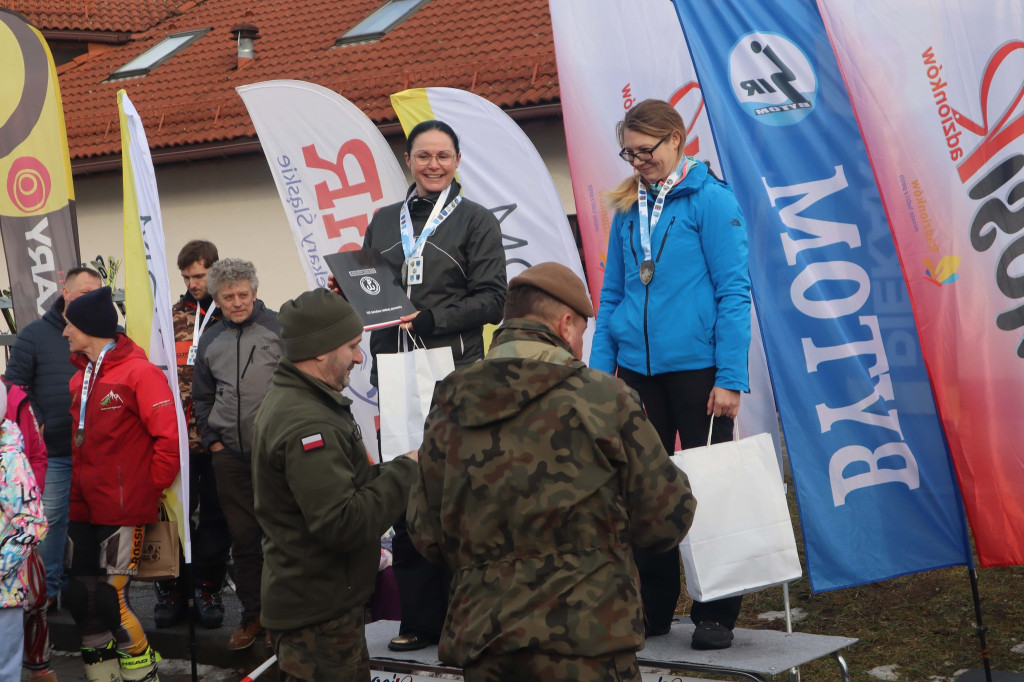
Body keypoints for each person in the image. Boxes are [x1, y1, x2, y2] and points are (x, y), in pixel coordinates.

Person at [407, 262, 697, 681]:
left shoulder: (448, 403)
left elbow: (425, 534)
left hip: (486, 643)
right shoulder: (604, 398)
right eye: (581, 332)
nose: (580, 346)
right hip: (588, 641)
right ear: (564, 325)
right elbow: (665, 519)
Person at [336, 119, 506, 652]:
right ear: (408, 159)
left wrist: (431, 319)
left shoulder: (476, 221)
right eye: (424, 156)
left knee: (459, 491)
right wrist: (346, 295)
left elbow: (493, 299)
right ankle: (418, 618)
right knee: (408, 492)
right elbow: (369, 295)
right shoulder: (383, 222)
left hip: (453, 370)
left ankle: (467, 617)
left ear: (457, 161)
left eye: (444, 156)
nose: (434, 165)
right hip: (394, 371)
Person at [591, 98, 751, 650]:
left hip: (700, 372)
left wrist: (730, 376)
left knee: (709, 487)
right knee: (644, 492)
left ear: (677, 139)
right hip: (636, 372)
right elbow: (612, 294)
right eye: (629, 153)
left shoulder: (711, 200)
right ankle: (655, 606)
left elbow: (734, 291)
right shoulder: (626, 208)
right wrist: (599, 375)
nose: (638, 162)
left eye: (646, 150)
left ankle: (716, 613)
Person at [252, 288, 418, 681]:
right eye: (352, 346)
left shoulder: (308, 401)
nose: (360, 358)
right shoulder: (308, 423)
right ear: (320, 350)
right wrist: (408, 471)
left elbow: (348, 488)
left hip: (321, 608)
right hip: (317, 620)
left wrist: (399, 468)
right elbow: (342, 522)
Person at [63, 286, 179, 681]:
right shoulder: (80, 377)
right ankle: (103, 674)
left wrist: (151, 488)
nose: (65, 333)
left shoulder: (140, 373)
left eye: (70, 326)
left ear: (92, 329)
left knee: (113, 601)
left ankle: (143, 671)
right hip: (82, 505)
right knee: (80, 598)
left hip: (125, 506)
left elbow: (169, 438)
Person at [193, 258, 282, 650]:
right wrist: (213, 441)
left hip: (277, 453)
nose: (237, 302)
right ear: (217, 299)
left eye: (243, 294)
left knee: (284, 536)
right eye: (228, 297)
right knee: (244, 540)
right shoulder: (211, 340)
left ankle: (288, 618)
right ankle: (253, 617)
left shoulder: (280, 328)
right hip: (228, 455)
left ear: (255, 292)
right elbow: (202, 396)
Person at [5, 266, 104, 606]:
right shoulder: (33, 335)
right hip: (55, 452)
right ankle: (47, 595)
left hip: (98, 453)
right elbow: (15, 388)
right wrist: (38, 420)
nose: (89, 299)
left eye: (96, 293)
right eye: (83, 293)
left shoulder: (109, 335)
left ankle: (93, 594)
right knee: (50, 524)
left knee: (96, 524)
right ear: (65, 292)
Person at [153, 240, 231, 629]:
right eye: (187, 277)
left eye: (199, 275)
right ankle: (173, 588)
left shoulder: (232, 314)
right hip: (178, 439)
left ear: (215, 270)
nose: (194, 283)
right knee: (173, 516)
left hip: (219, 438)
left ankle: (206, 587)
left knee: (217, 518)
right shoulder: (173, 316)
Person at [3, 379, 56, 681]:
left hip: (15, 530)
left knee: (33, 600)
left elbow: (36, 453)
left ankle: (39, 668)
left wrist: (24, 493)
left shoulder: (13, 398)